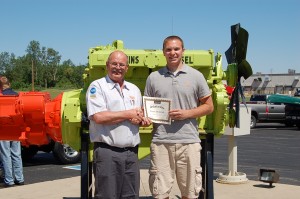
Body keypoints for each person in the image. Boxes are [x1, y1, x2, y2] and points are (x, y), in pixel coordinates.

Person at [144, 36, 214, 199]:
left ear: (183, 51)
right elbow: (148, 108)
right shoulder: (153, 78)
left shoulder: (196, 76)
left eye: (176, 49)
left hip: (188, 141)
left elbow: (209, 106)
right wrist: (146, 117)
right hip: (161, 142)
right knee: (160, 193)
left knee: (189, 193)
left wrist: (187, 113)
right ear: (163, 52)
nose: (172, 53)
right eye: (168, 49)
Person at [86, 50, 150, 199]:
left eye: (122, 64)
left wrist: (142, 121)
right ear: (107, 65)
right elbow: (98, 116)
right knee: (107, 195)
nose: (118, 67)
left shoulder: (133, 89)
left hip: (131, 153)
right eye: (114, 64)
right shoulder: (97, 87)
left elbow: (136, 117)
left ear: (127, 68)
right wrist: (128, 114)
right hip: (108, 152)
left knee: (131, 195)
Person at [0, 76, 25, 187]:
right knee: (17, 155)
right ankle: (19, 179)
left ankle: (9, 180)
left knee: (6, 155)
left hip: (4, 130)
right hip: (16, 129)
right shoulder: (16, 95)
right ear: (9, 84)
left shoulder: (1, 97)